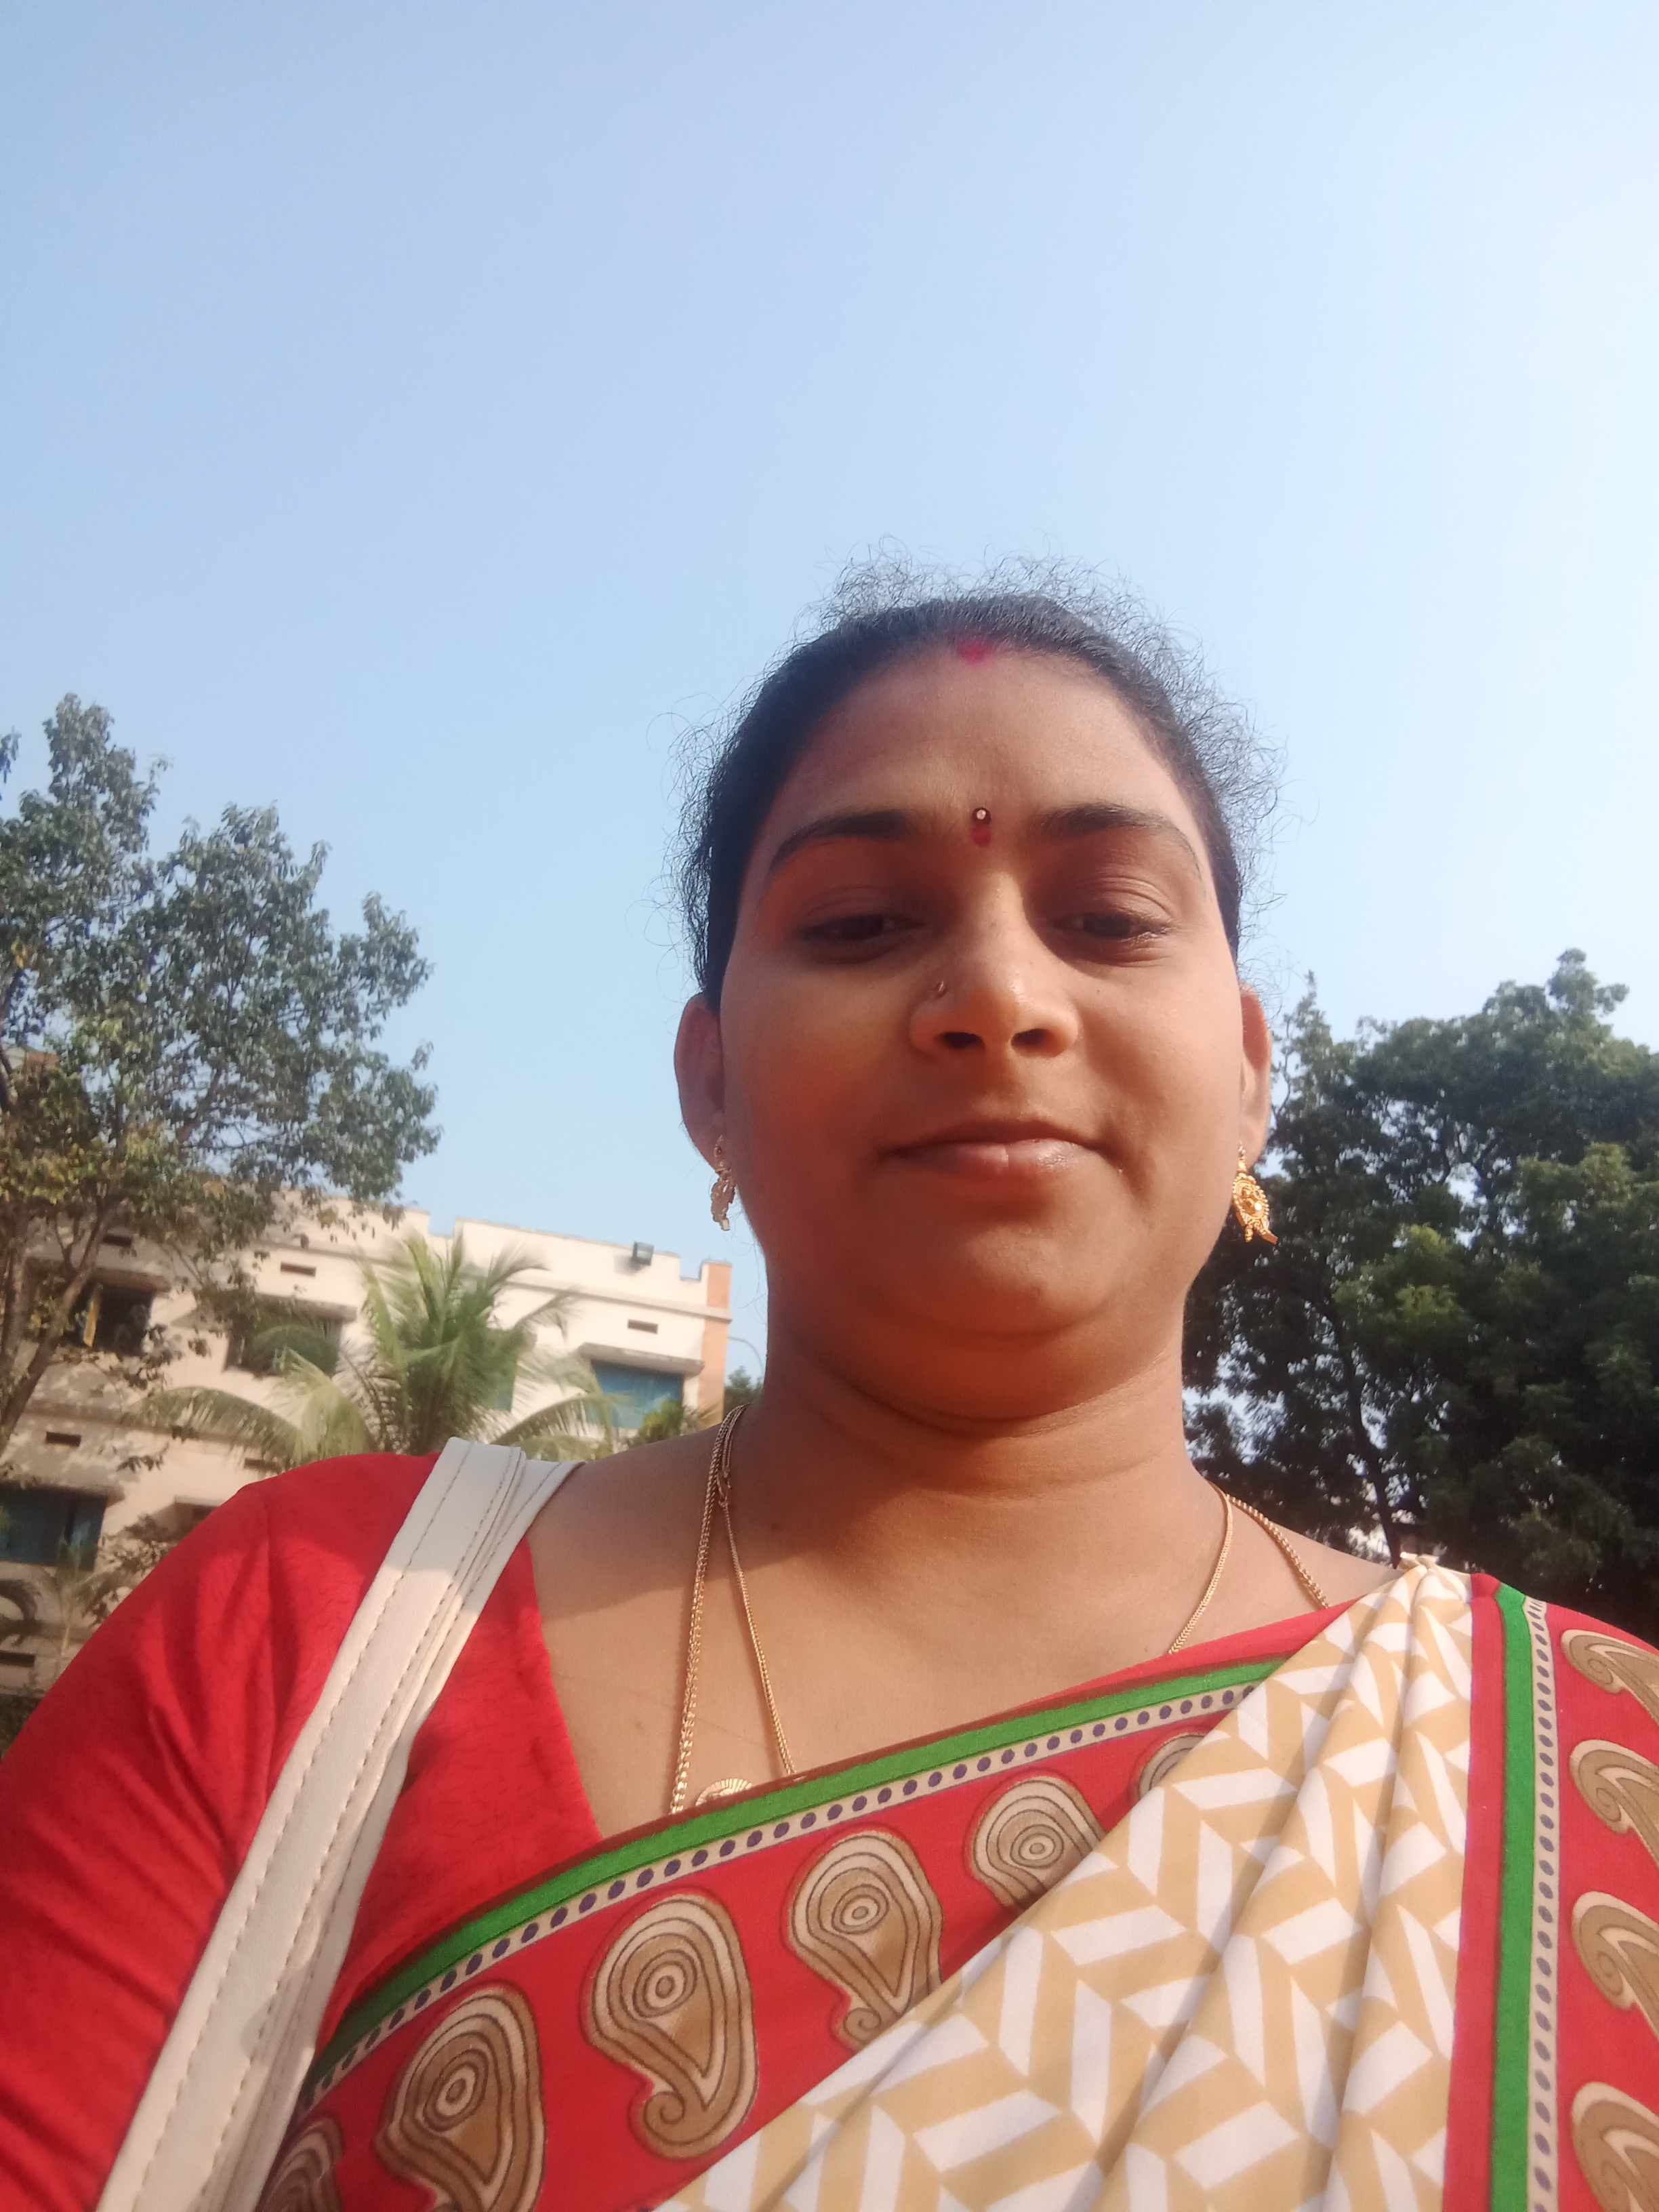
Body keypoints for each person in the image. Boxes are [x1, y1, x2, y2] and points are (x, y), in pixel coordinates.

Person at [3, 564, 1657, 2212]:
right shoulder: (314, 1628)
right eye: (862, 924)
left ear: (1247, 1072)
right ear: (710, 1082)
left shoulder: (1587, 1773)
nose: (999, 998)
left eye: (1107, 919)